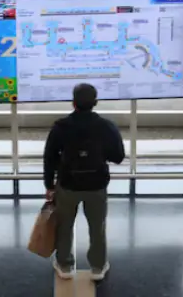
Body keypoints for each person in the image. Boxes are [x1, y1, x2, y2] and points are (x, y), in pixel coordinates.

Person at [43, 83, 125, 281]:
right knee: (97, 226)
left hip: (68, 184)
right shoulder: (107, 126)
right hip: (96, 185)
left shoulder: (61, 126)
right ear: (95, 102)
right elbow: (118, 157)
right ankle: (97, 266)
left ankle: (64, 264)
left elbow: (50, 158)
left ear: (73, 103)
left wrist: (49, 185)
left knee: (64, 225)